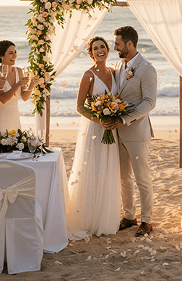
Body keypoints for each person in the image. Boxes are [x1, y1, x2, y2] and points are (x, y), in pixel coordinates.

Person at [66, 36, 121, 240]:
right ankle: (89, 218)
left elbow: (120, 99)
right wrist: (99, 120)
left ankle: (106, 218)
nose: (100, 50)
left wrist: (114, 116)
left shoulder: (114, 73)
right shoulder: (88, 75)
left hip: (111, 128)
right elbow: (80, 106)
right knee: (93, 170)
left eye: (103, 47)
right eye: (96, 48)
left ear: (108, 50)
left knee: (108, 169)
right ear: (90, 53)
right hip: (95, 128)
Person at [112, 26, 157, 237]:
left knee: (142, 178)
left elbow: (150, 102)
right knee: (124, 178)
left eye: (117, 43)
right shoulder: (119, 65)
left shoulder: (147, 68)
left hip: (137, 132)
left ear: (129, 44)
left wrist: (125, 118)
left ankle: (147, 221)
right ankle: (129, 216)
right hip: (118, 133)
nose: (114, 47)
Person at [0, 40, 39, 132]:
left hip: (14, 117)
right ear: (1, 56)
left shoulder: (19, 71)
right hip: (0, 117)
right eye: (11, 53)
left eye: (15, 52)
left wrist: (31, 85)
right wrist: (17, 85)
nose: (14, 56)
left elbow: (24, 97)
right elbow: (3, 99)